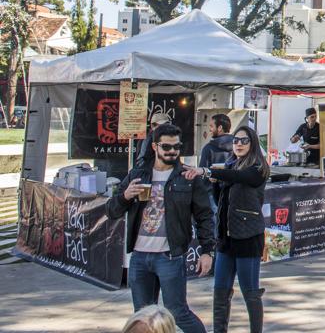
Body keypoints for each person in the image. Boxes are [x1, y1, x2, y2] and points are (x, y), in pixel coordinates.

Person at [106, 123, 215, 333]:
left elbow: (205, 217)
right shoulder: (137, 174)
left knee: (178, 313)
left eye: (177, 147)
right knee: (143, 319)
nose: (172, 151)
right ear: (155, 147)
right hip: (139, 256)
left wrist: (207, 251)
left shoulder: (188, 177)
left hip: (170, 257)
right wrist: (125, 195)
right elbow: (111, 210)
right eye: (167, 147)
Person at [184, 125, 269, 333]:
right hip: (226, 238)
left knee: (250, 292)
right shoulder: (231, 164)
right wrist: (214, 181)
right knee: (220, 290)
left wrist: (208, 171)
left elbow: (240, 177)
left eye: (244, 140)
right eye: (236, 141)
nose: (238, 144)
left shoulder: (257, 167)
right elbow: (219, 198)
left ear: (253, 144)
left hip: (248, 236)